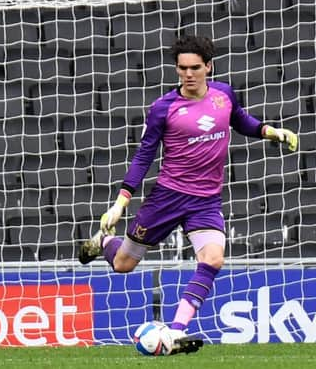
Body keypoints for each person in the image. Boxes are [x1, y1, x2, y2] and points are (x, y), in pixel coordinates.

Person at [78, 35, 297, 354]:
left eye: (195, 67)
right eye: (182, 68)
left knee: (213, 258)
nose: (188, 74)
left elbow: (241, 121)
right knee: (124, 264)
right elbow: (143, 156)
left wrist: (271, 132)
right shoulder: (163, 108)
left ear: (209, 66)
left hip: (205, 201)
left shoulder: (224, 94)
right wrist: (119, 204)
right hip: (167, 198)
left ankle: (176, 331)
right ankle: (104, 242)